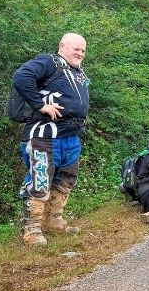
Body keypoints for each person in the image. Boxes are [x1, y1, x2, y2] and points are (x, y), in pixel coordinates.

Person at [11, 33, 90, 246]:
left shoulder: (76, 71)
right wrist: (41, 105)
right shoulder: (50, 61)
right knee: (40, 180)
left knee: (65, 179)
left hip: (70, 136)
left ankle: (53, 220)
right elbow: (21, 77)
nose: (80, 53)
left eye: (83, 50)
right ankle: (32, 229)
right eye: (76, 48)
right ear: (62, 46)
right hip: (44, 135)